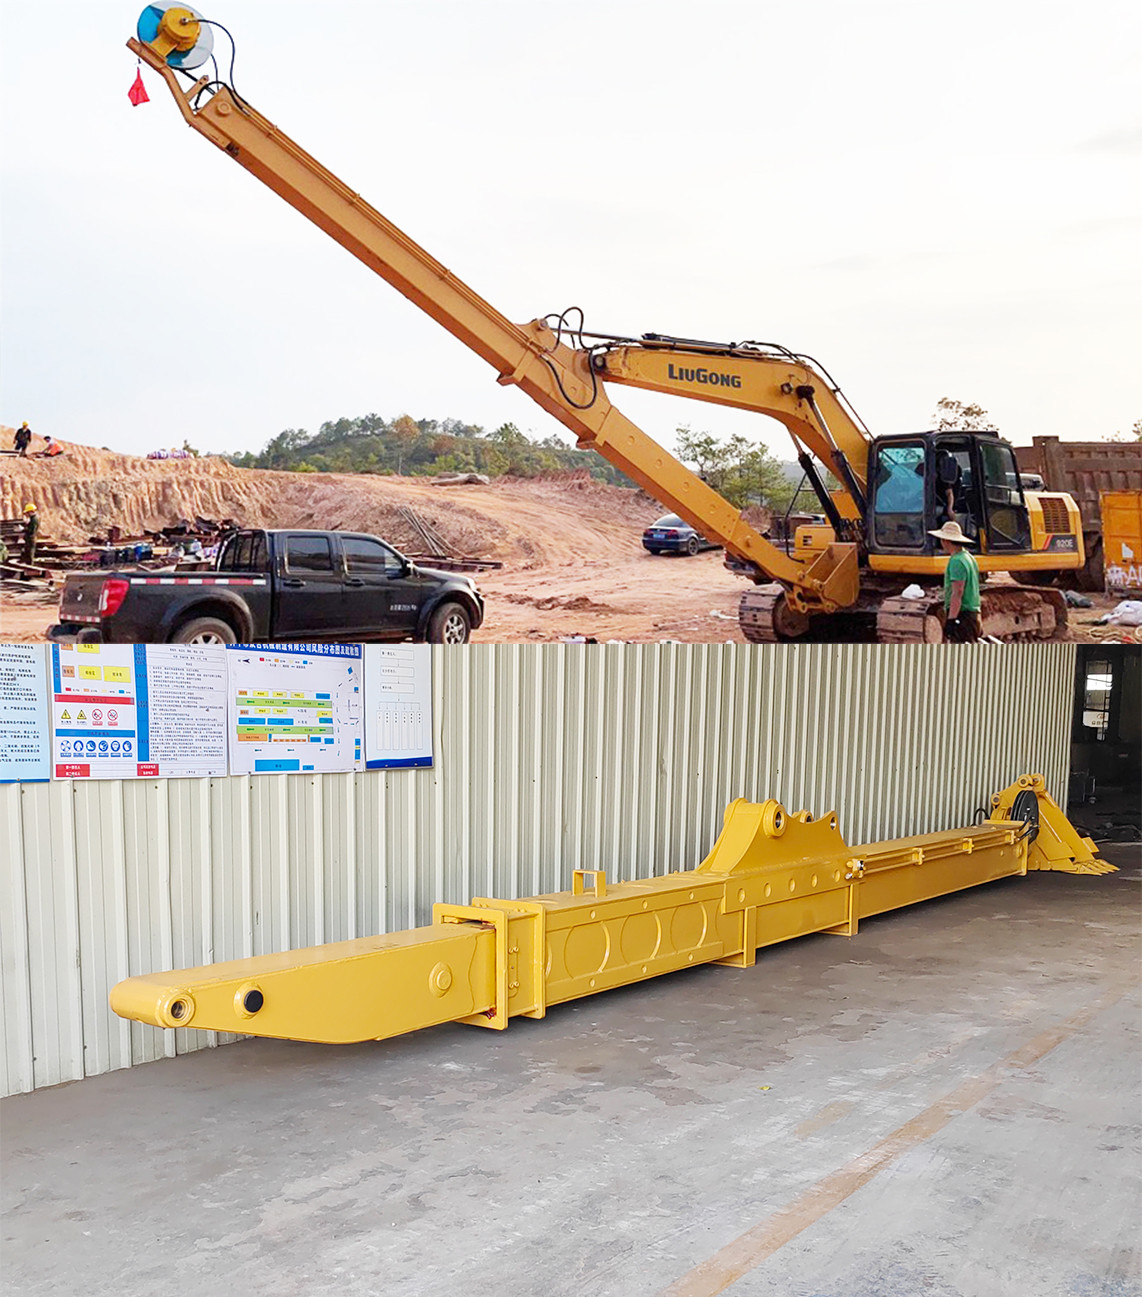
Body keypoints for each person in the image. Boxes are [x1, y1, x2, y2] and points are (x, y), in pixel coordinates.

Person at [929, 520, 980, 642]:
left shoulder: (956, 561)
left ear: (946, 541)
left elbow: (957, 592)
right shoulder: (968, 557)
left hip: (962, 614)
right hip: (970, 614)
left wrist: (951, 620)